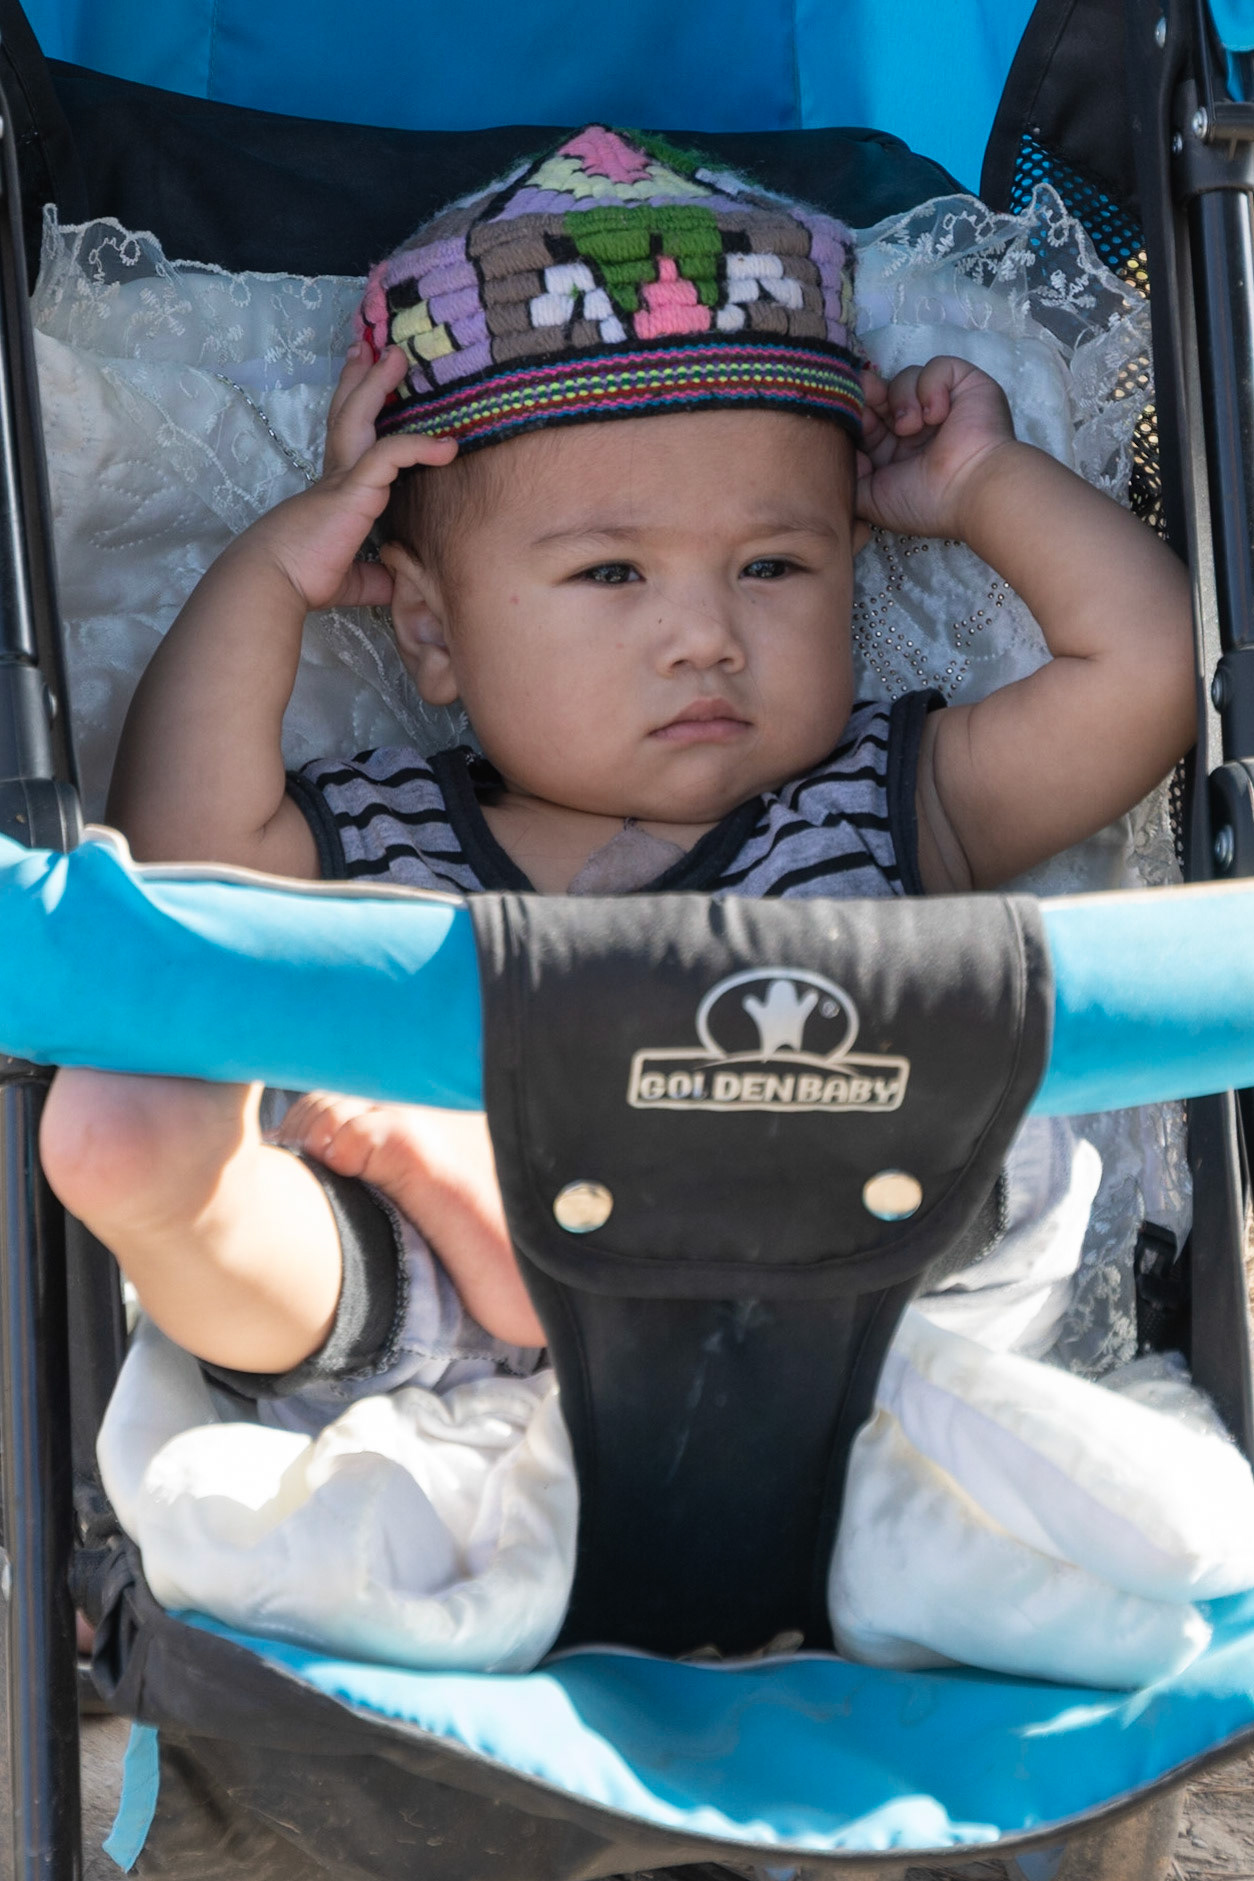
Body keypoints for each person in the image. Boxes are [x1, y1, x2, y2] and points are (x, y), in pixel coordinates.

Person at [39, 126, 1193, 1422]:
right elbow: (180, 882)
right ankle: (180, 1190)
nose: (706, 634)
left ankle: (525, 1215)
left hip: (829, 1313)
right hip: (446, 1350)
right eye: (610, 573)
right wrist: (269, 571)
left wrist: (981, 480)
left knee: (979, 1113)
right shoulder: (383, 835)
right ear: (429, 630)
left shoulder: (875, 799)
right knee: (244, 1177)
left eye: (771, 567)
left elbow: (1145, 678)